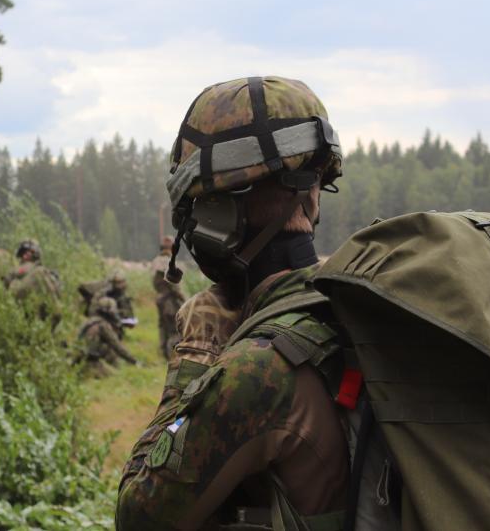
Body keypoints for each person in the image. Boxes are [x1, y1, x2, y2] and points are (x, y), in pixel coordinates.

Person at [116, 76, 350, 530]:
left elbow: (138, 515)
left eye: (198, 209)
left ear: (222, 213)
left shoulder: (261, 369)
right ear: (313, 195)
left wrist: (198, 351)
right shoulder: (355, 302)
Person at [3, 238, 63, 329]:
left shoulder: (38, 271)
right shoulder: (39, 271)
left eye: (30, 251)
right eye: (24, 252)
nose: (26, 254)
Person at [75, 296, 139, 378]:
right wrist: (134, 361)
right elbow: (117, 346)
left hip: (80, 358)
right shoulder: (103, 325)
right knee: (115, 376)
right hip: (91, 360)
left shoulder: (89, 321)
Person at [151, 236, 186, 360]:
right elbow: (175, 286)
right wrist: (185, 300)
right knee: (173, 329)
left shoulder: (155, 261)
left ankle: (162, 351)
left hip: (160, 298)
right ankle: (170, 355)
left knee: (162, 326)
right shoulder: (169, 262)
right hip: (170, 301)